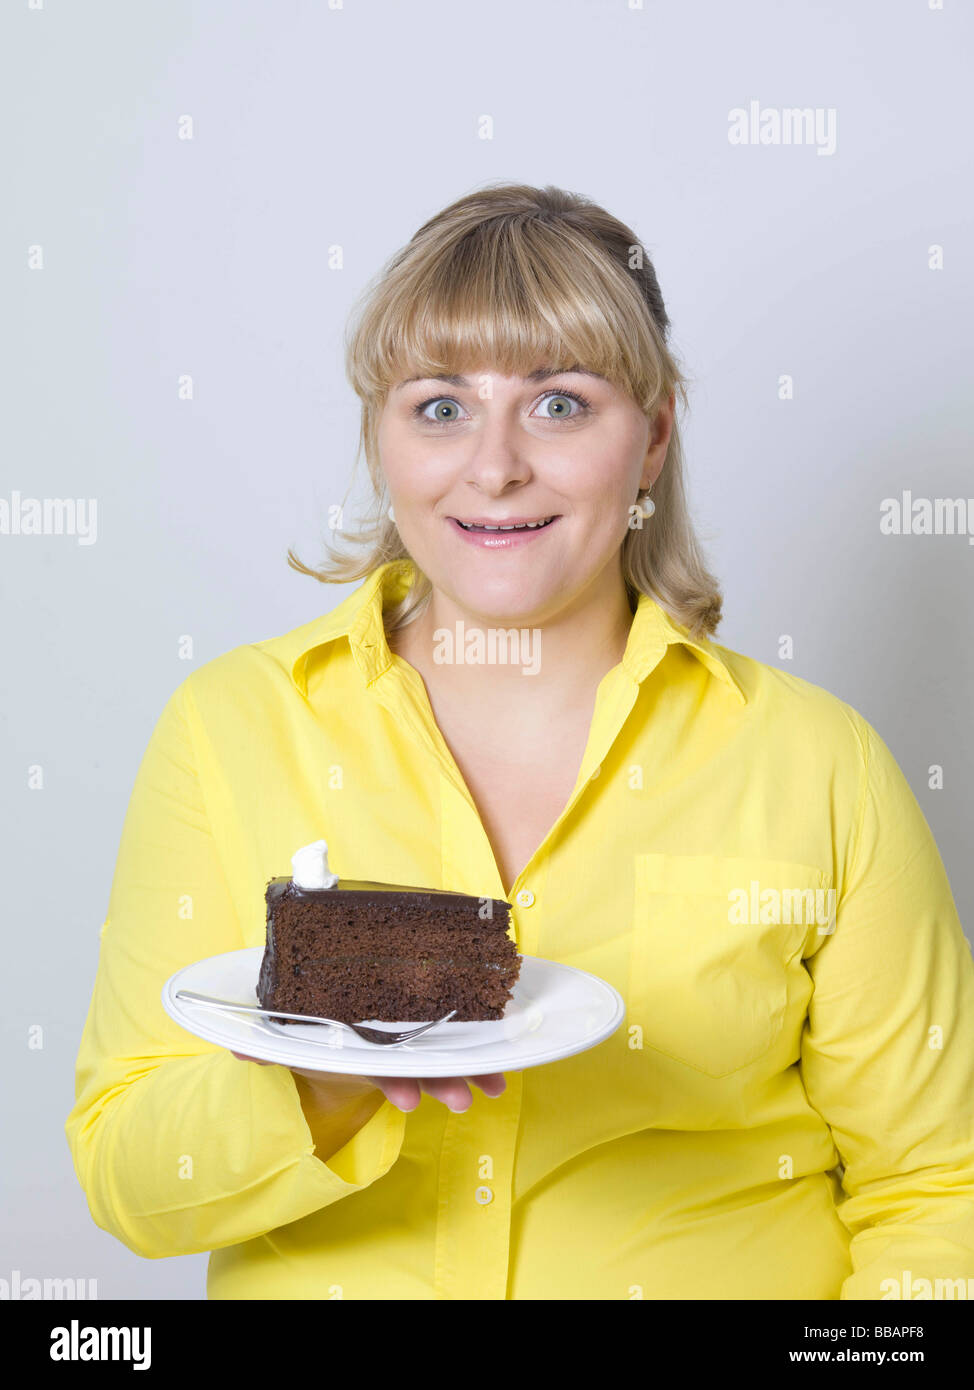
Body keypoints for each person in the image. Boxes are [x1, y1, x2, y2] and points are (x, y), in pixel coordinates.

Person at [66, 182, 974, 1300]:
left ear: (650, 438)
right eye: (439, 406)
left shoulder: (822, 765)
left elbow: (934, 1191)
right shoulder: (232, 724)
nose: (492, 466)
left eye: (558, 404)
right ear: (380, 438)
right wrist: (323, 1088)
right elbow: (125, 1175)